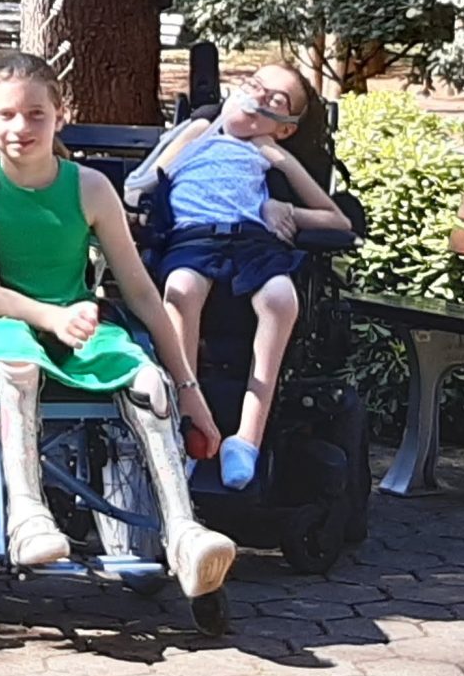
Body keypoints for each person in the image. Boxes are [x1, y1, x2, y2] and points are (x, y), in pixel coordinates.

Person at [0, 51, 236, 598]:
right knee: (17, 362)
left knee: (147, 380)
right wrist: (53, 317)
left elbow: (142, 292)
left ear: (59, 115)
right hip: (3, 322)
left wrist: (188, 388)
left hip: (77, 320)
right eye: (7, 114)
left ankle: (183, 530)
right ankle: (27, 514)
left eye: (36, 114)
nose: (21, 127)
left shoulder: (91, 188)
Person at [139, 62, 352, 490]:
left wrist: (283, 205)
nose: (258, 98)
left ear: (285, 127)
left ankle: (246, 440)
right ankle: (187, 426)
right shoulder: (200, 133)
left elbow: (339, 221)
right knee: (181, 288)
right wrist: (197, 131)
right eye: (254, 86)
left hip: (252, 242)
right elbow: (144, 182)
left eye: (276, 100)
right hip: (194, 236)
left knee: (280, 298)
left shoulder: (269, 152)